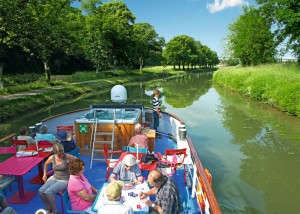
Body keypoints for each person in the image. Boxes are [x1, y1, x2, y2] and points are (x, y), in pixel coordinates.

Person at [38, 143, 77, 214]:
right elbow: (46, 164)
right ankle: (48, 207)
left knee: (48, 193)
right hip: (55, 177)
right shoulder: (52, 158)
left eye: (62, 153)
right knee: (40, 192)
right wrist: (44, 174)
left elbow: (78, 161)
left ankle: (55, 211)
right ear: (55, 153)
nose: (61, 155)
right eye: (59, 154)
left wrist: (73, 172)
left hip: (64, 179)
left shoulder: (67, 156)